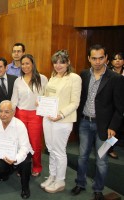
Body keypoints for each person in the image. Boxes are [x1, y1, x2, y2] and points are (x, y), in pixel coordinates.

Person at [71, 44, 123, 200]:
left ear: (106, 58)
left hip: (105, 127)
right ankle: (80, 183)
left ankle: (98, 189)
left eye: (101, 58)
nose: (98, 61)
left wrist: (113, 127)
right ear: (89, 59)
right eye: (94, 58)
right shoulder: (84, 74)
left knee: (102, 160)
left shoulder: (116, 78)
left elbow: (120, 107)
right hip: (84, 123)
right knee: (82, 156)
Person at [40, 50, 82, 193]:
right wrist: (40, 104)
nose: (58, 65)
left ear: (68, 62)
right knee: (50, 149)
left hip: (63, 121)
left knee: (59, 151)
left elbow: (75, 102)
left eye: (62, 62)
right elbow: (47, 96)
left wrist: (61, 114)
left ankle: (60, 181)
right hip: (48, 118)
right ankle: (52, 176)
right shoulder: (52, 77)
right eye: (55, 62)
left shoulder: (74, 78)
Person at [0, 100, 34, 199]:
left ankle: (25, 187)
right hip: (3, 154)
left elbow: (25, 147)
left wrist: (15, 159)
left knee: (26, 162)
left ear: (13, 112)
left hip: (19, 153)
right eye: (1, 111)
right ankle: (6, 172)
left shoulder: (20, 125)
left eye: (6, 112)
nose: (3, 115)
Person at [11, 54, 48, 177]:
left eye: (27, 63)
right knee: (21, 143)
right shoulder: (18, 80)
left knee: (35, 143)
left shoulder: (42, 79)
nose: (25, 66)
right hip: (20, 114)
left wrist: (42, 102)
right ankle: (22, 167)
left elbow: (48, 97)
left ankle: (37, 166)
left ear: (33, 64)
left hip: (36, 115)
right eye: (23, 64)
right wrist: (9, 115)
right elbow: (14, 100)